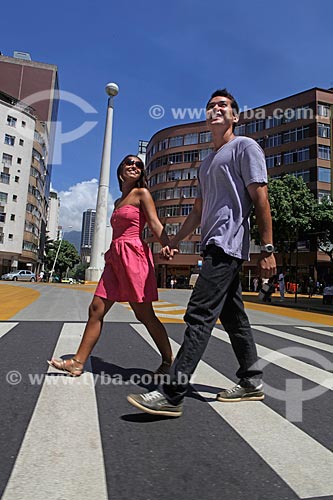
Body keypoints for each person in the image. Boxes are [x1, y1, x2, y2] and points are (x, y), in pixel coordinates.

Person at [127, 89, 276, 417]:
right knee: (233, 315)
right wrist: (176, 239)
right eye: (211, 106)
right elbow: (198, 208)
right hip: (212, 242)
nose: (216, 109)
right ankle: (251, 380)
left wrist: (267, 248)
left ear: (235, 116)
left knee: (198, 314)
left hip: (228, 244)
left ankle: (172, 393)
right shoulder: (207, 162)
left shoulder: (244, 147)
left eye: (223, 105)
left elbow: (261, 198)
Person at [48, 155, 173, 376]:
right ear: (120, 170)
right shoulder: (118, 202)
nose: (134, 166)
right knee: (95, 309)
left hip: (134, 256)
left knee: (144, 314)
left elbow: (154, 223)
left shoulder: (141, 194)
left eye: (138, 165)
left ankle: (168, 360)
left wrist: (168, 245)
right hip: (115, 258)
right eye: (129, 163)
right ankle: (78, 363)